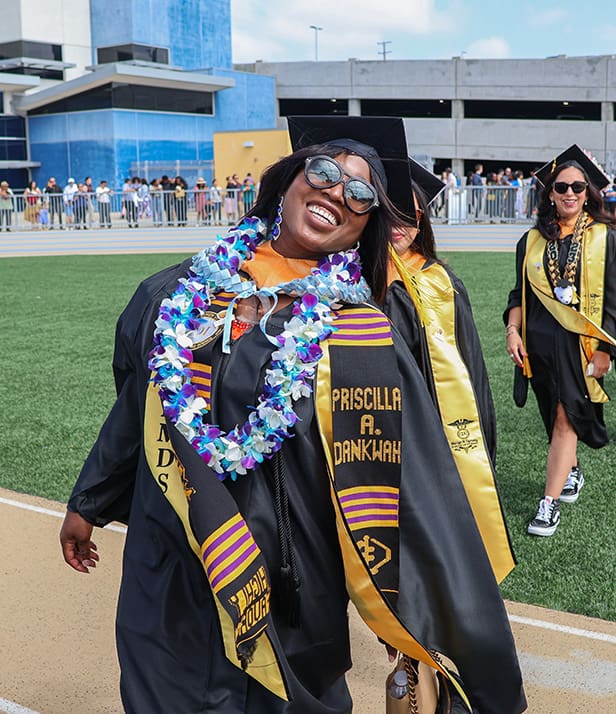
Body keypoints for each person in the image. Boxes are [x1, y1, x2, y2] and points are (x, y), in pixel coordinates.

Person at [60, 116, 525, 714]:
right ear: (288, 181)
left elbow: (410, 479)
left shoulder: (360, 334)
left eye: (359, 195)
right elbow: (138, 405)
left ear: (366, 227)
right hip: (173, 548)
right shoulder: (182, 292)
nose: (337, 193)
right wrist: (90, 501)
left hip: (287, 570)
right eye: (324, 173)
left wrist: (415, 613)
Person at [383, 158, 515, 584]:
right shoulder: (343, 279)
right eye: (389, 211)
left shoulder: (440, 283)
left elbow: (470, 376)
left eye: (412, 212)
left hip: (422, 434)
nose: (400, 223)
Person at [505, 144, 616, 536]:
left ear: (589, 193)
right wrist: (513, 331)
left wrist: (606, 349)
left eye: (578, 187)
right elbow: (517, 295)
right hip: (538, 347)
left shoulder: (606, 238)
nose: (570, 193)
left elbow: (615, 299)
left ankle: (548, 504)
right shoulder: (531, 241)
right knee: (551, 415)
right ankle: (572, 471)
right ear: (550, 193)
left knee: (565, 419)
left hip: (581, 346)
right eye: (562, 186)